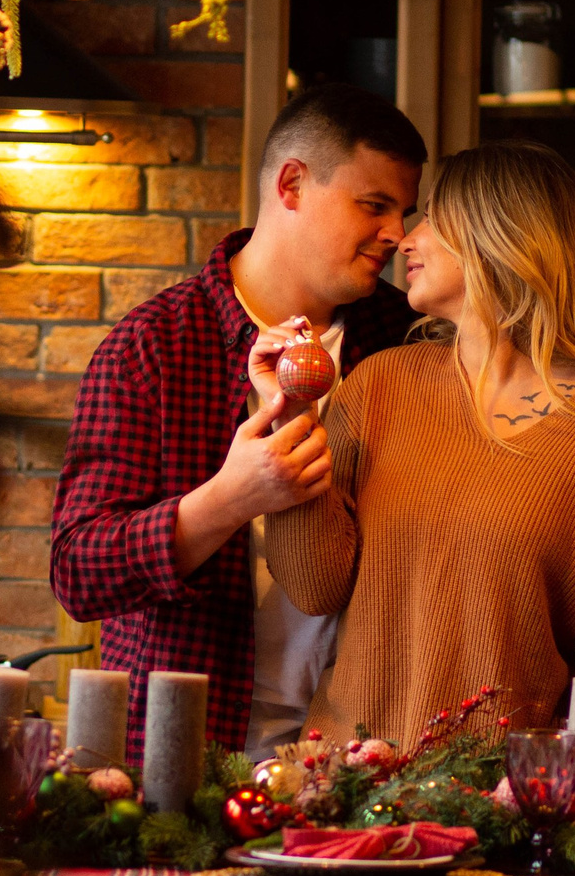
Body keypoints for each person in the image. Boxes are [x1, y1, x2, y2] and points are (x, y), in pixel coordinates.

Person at [256, 140, 575, 788]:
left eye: (435, 217)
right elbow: (313, 584)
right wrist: (295, 414)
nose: (405, 237)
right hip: (343, 796)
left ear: (501, 235)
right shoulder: (380, 384)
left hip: (507, 812)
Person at [50, 83, 427, 759]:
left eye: (404, 212)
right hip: (185, 759)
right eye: (375, 205)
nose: (397, 235)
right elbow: (78, 571)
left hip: (363, 758)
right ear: (291, 185)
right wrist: (229, 498)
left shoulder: (410, 342)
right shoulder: (154, 347)